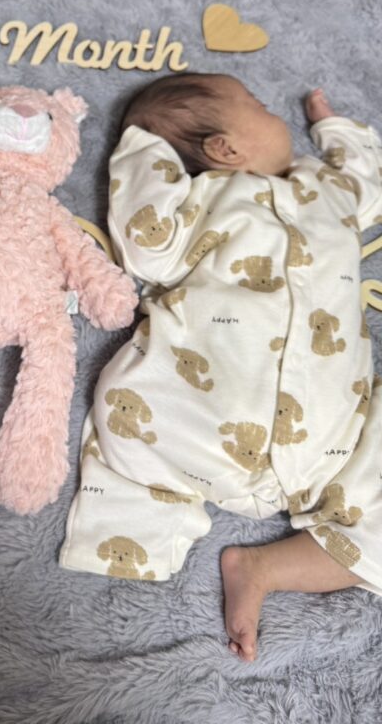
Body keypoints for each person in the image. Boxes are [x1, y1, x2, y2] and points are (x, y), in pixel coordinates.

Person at [59, 73, 382, 661]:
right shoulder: (205, 200)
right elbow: (143, 241)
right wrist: (144, 138)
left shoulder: (327, 189)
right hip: (205, 408)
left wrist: (335, 129)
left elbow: (369, 183)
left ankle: (264, 567)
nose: (273, 110)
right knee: (132, 411)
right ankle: (139, 536)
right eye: (257, 104)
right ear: (224, 149)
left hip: (332, 441)